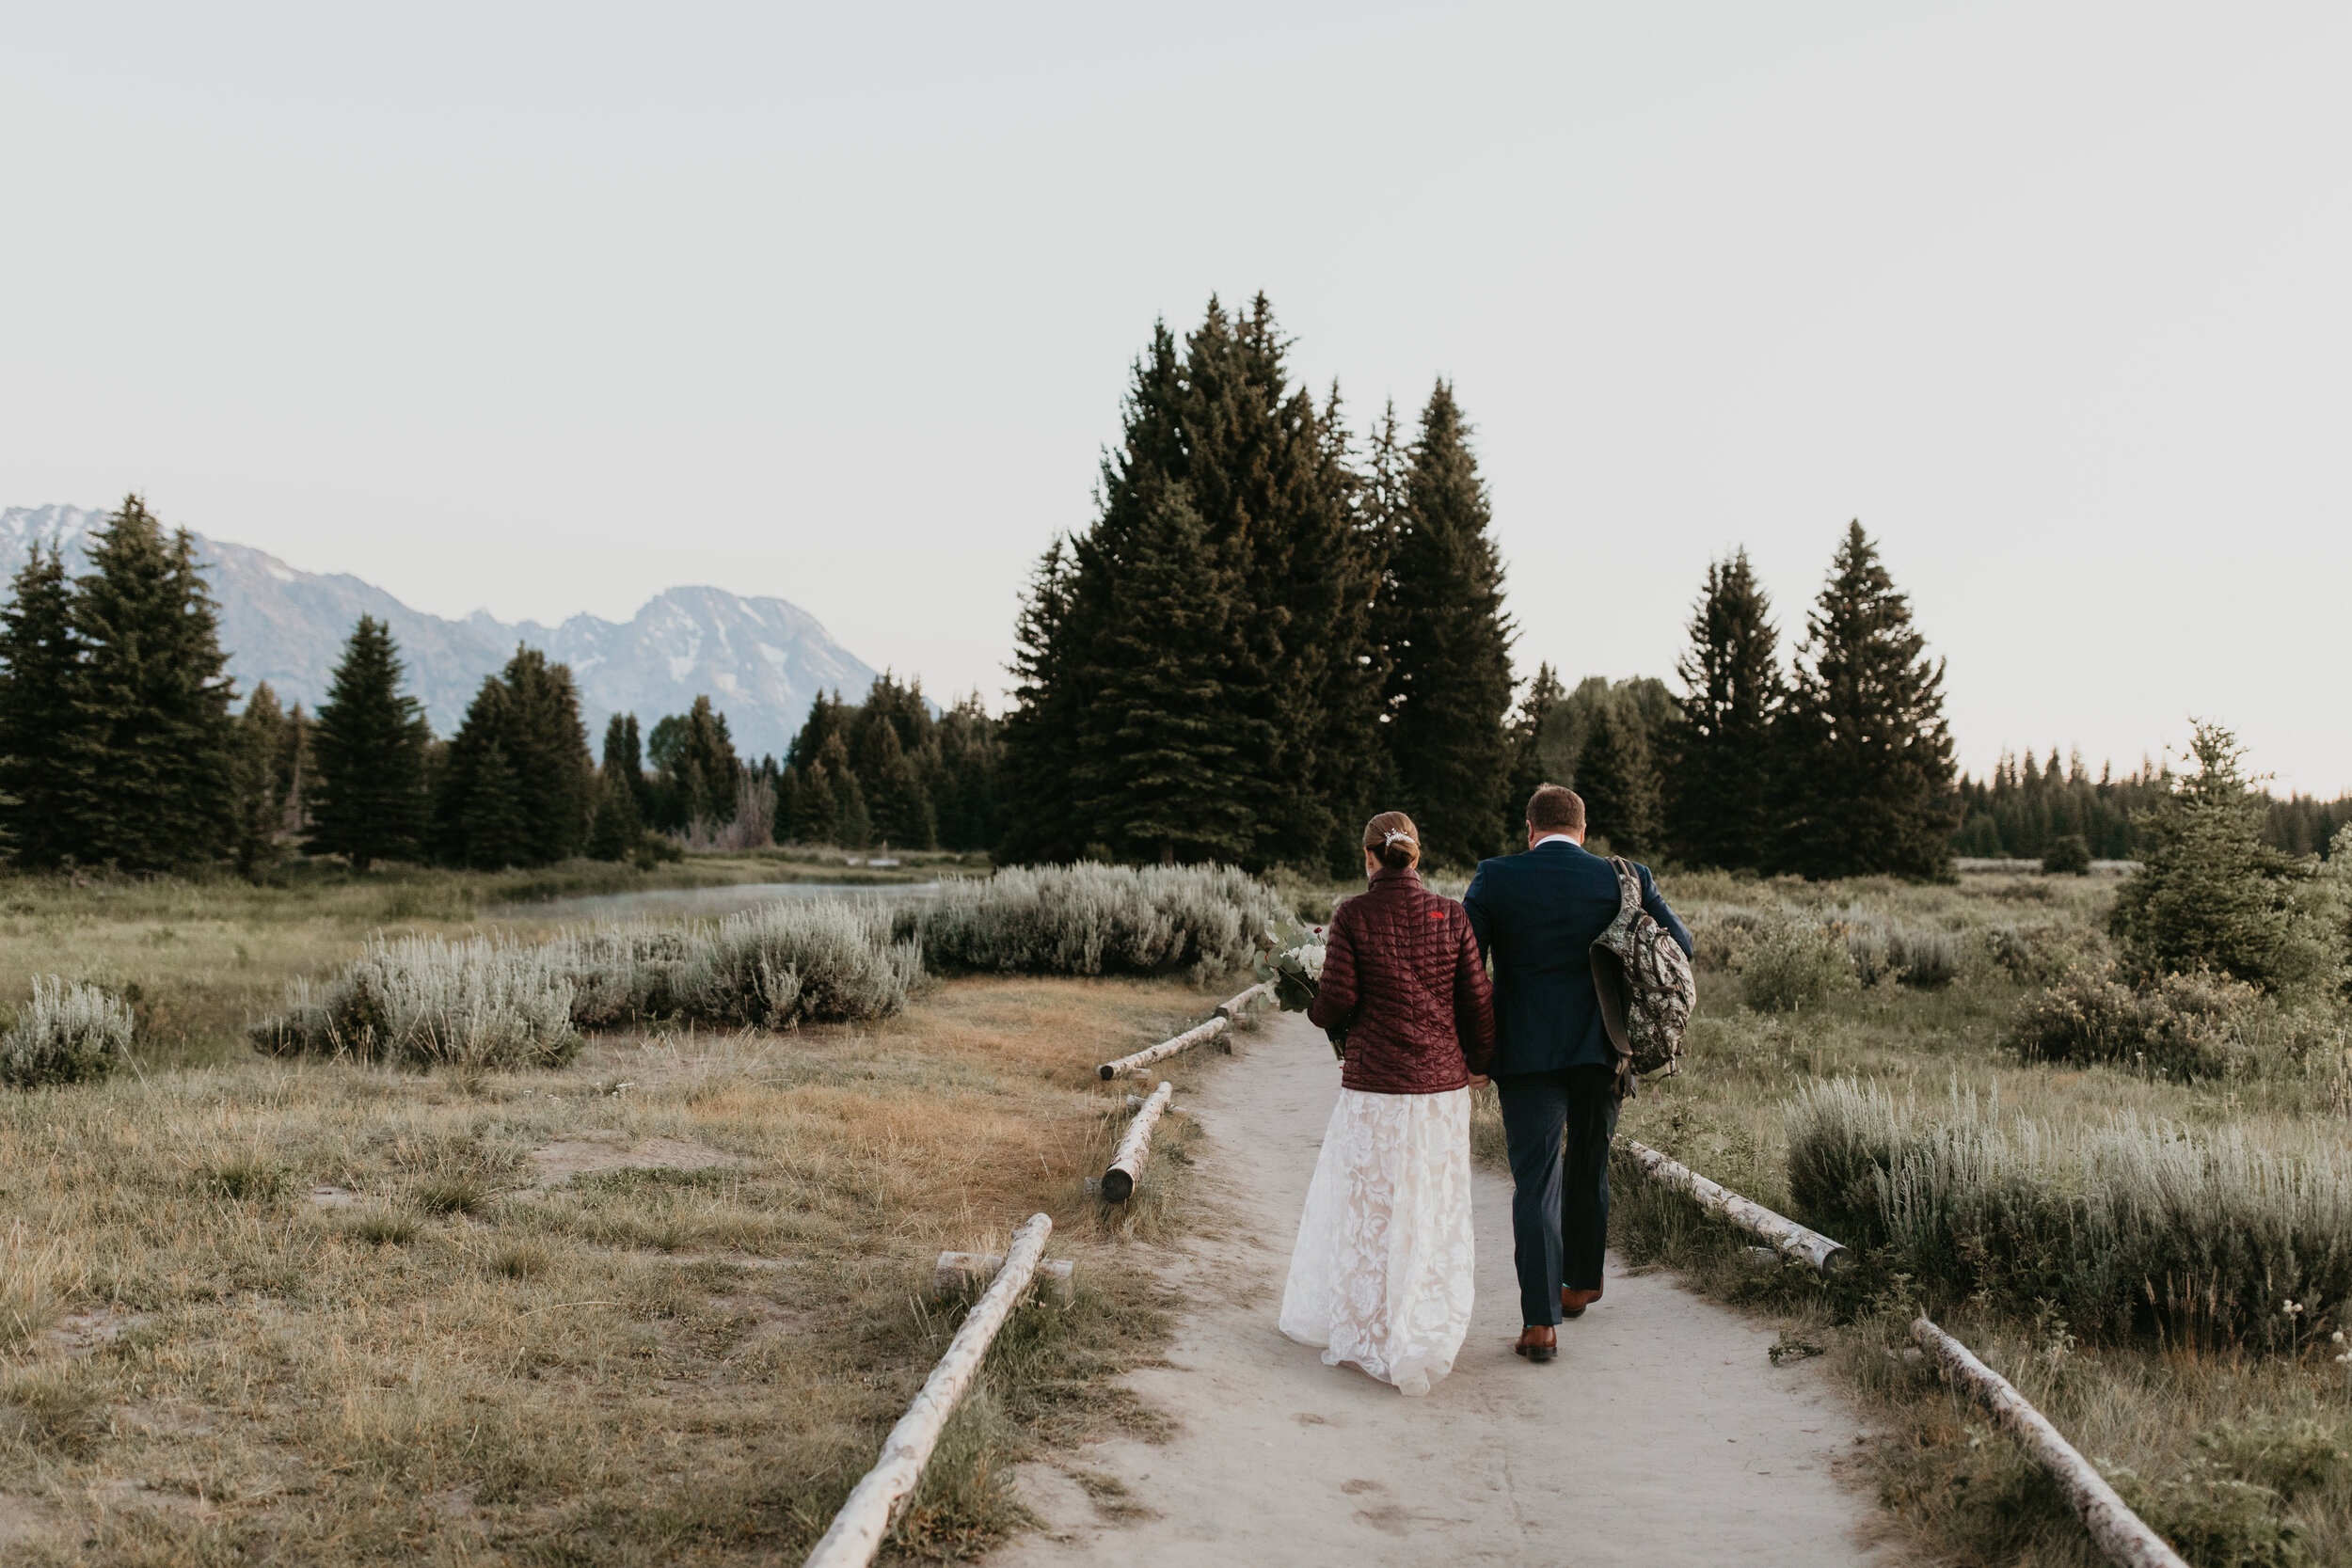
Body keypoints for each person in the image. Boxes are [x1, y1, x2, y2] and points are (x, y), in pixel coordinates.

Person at [1463, 784, 1692, 1364]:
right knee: (1590, 1161)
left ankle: (1540, 1324)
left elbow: (1466, 969)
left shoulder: (1495, 876)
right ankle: (1581, 1284)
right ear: (1583, 831)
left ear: (1529, 829)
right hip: (1603, 1048)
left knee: (1536, 1182)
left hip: (1525, 1054)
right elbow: (1681, 946)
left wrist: (1476, 1052)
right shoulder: (1625, 876)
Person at [1279, 811, 1496, 1397]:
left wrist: (1313, 1006)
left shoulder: (1353, 914)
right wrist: (1480, 1062)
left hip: (1375, 1088)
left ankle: (1370, 1326)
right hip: (1439, 1091)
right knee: (1430, 1204)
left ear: (1369, 857)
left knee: (1370, 1207)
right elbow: (1476, 999)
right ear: (1416, 857)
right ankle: (1422, 1321)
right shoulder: (1452, 915)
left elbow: (1338, 997)